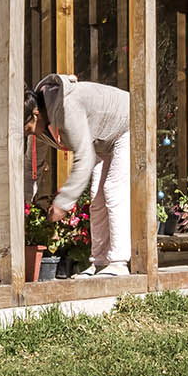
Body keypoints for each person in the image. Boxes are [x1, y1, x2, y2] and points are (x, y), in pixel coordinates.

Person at [25, 74, 131, 276]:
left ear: (36, 114)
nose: (30, 134)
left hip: (128, 123)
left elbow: (84, 159)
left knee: (113, 188)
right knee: (96, 196)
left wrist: (62, 203)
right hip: (103, 139)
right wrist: (24, 205)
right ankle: (99, 262)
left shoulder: (67, 107)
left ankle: (119, 262)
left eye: (28, 129)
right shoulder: (39, 123)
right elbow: (32, 166)